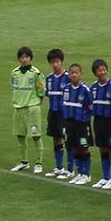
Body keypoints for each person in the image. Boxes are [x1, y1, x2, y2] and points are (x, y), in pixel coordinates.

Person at [8, 46, 47, 174]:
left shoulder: (36, 73)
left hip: (32, 109)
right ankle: (24, 162)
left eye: (26, 57)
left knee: (36, 136)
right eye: (22, 57)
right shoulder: (14, 73)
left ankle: (38, 162)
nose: (24, 59)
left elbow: (41, 92)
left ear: (30, 58)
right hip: (18, 108)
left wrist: (35, 105)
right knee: (20, 136)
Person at [88, 59, 111, 189]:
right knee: (102, 148)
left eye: (103, 69)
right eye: (99, 70)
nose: (102, 72)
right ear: (95, 73)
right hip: (98, 121)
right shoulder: (93, 87)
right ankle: (105, 177)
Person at [61, 64, 93, 186]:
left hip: (82, 124)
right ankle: (79, 173)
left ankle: (86, 174)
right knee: (73, 147)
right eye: (72, 73)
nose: (74, 75)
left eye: (76, 72)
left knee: (83, 148)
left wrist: (85, 120)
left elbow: (90, 107)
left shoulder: (85, 89)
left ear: (81, 74)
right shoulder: (66, 89)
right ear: (69, 75)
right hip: (69, 123)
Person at [44, 49, 68, 178]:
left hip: (64, 114)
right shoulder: (49, 78)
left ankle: (70, 169)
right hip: (52, 112)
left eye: (57, 62)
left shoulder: (68, 77)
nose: (55, 65)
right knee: (56, 138)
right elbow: (48, 94)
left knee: (67, 139)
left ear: (61, 62)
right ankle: (59, 167)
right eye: (52, 62)